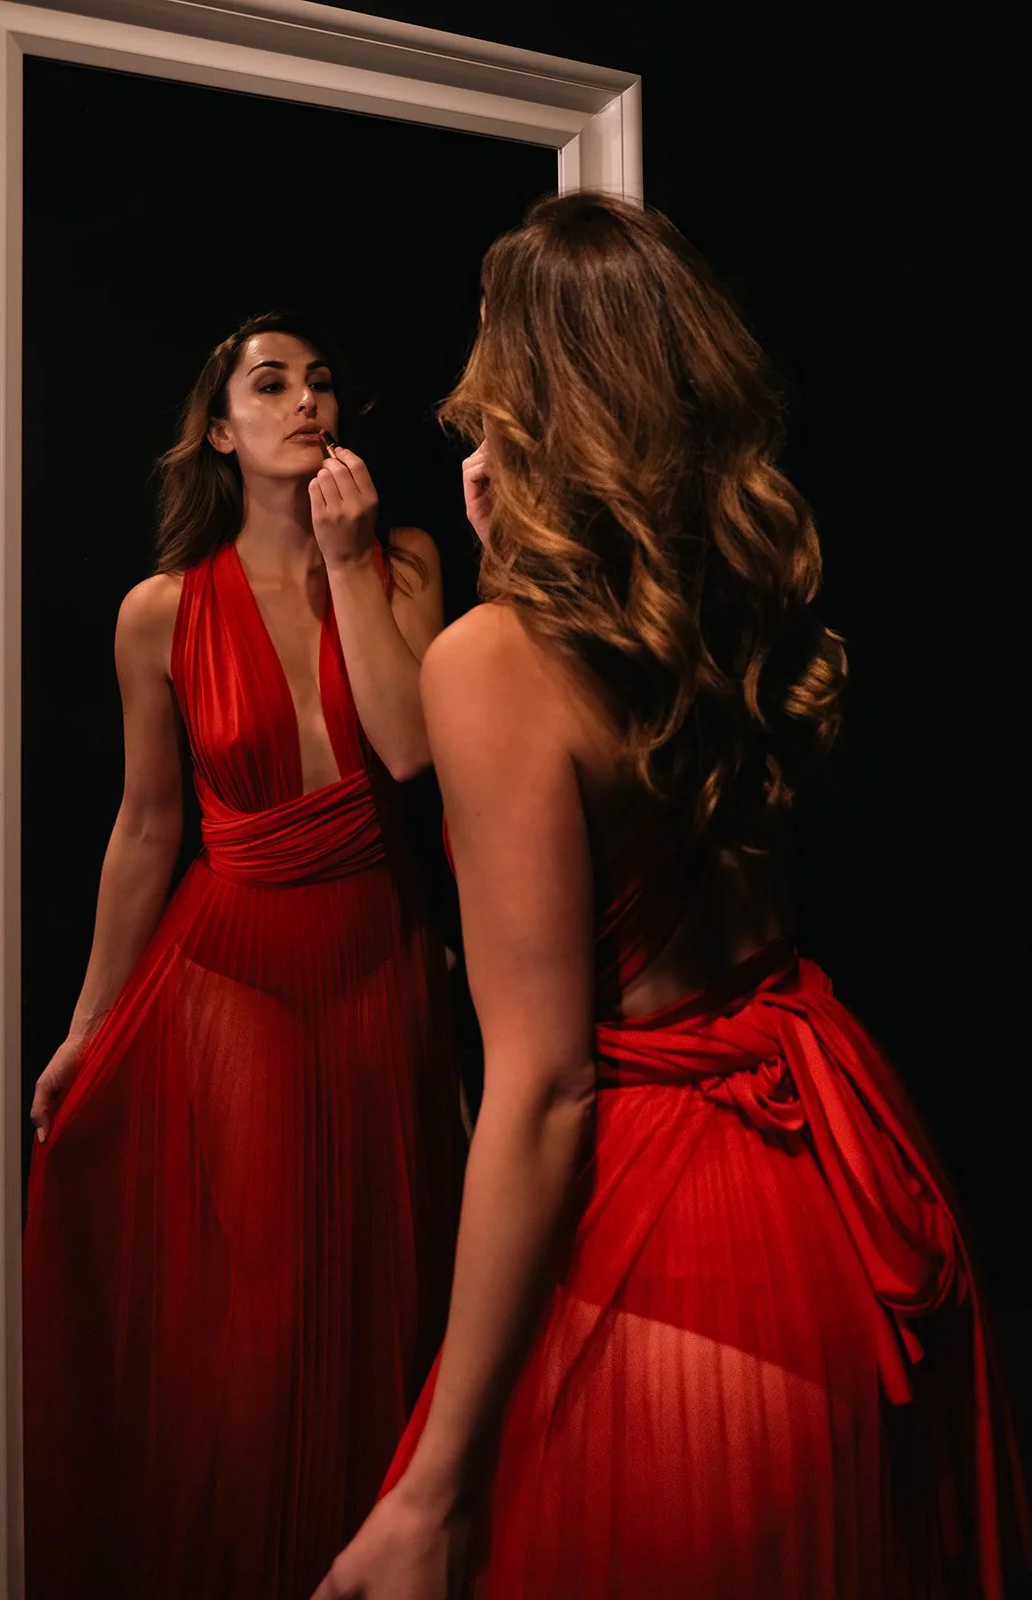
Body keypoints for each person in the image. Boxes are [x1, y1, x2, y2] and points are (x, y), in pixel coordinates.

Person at [315, 195, 1030, 1599]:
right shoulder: (742, 606)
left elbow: (543, 1088)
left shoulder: (490, 660)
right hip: (833, 1184)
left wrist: (431, 1488)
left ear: (527, 386)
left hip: (667, 1247)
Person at [23, 311, 465, 1599]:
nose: (305, 401)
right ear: (220, 431)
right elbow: (148, 826)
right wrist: (87, 1026)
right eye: (271, 385)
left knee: (395, 1292)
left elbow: (411, 751)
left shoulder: (408, 562)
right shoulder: (158, 613)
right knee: (269, 1314)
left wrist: (351, 556)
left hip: (384, 952)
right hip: (237, 972)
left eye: (322, 382)